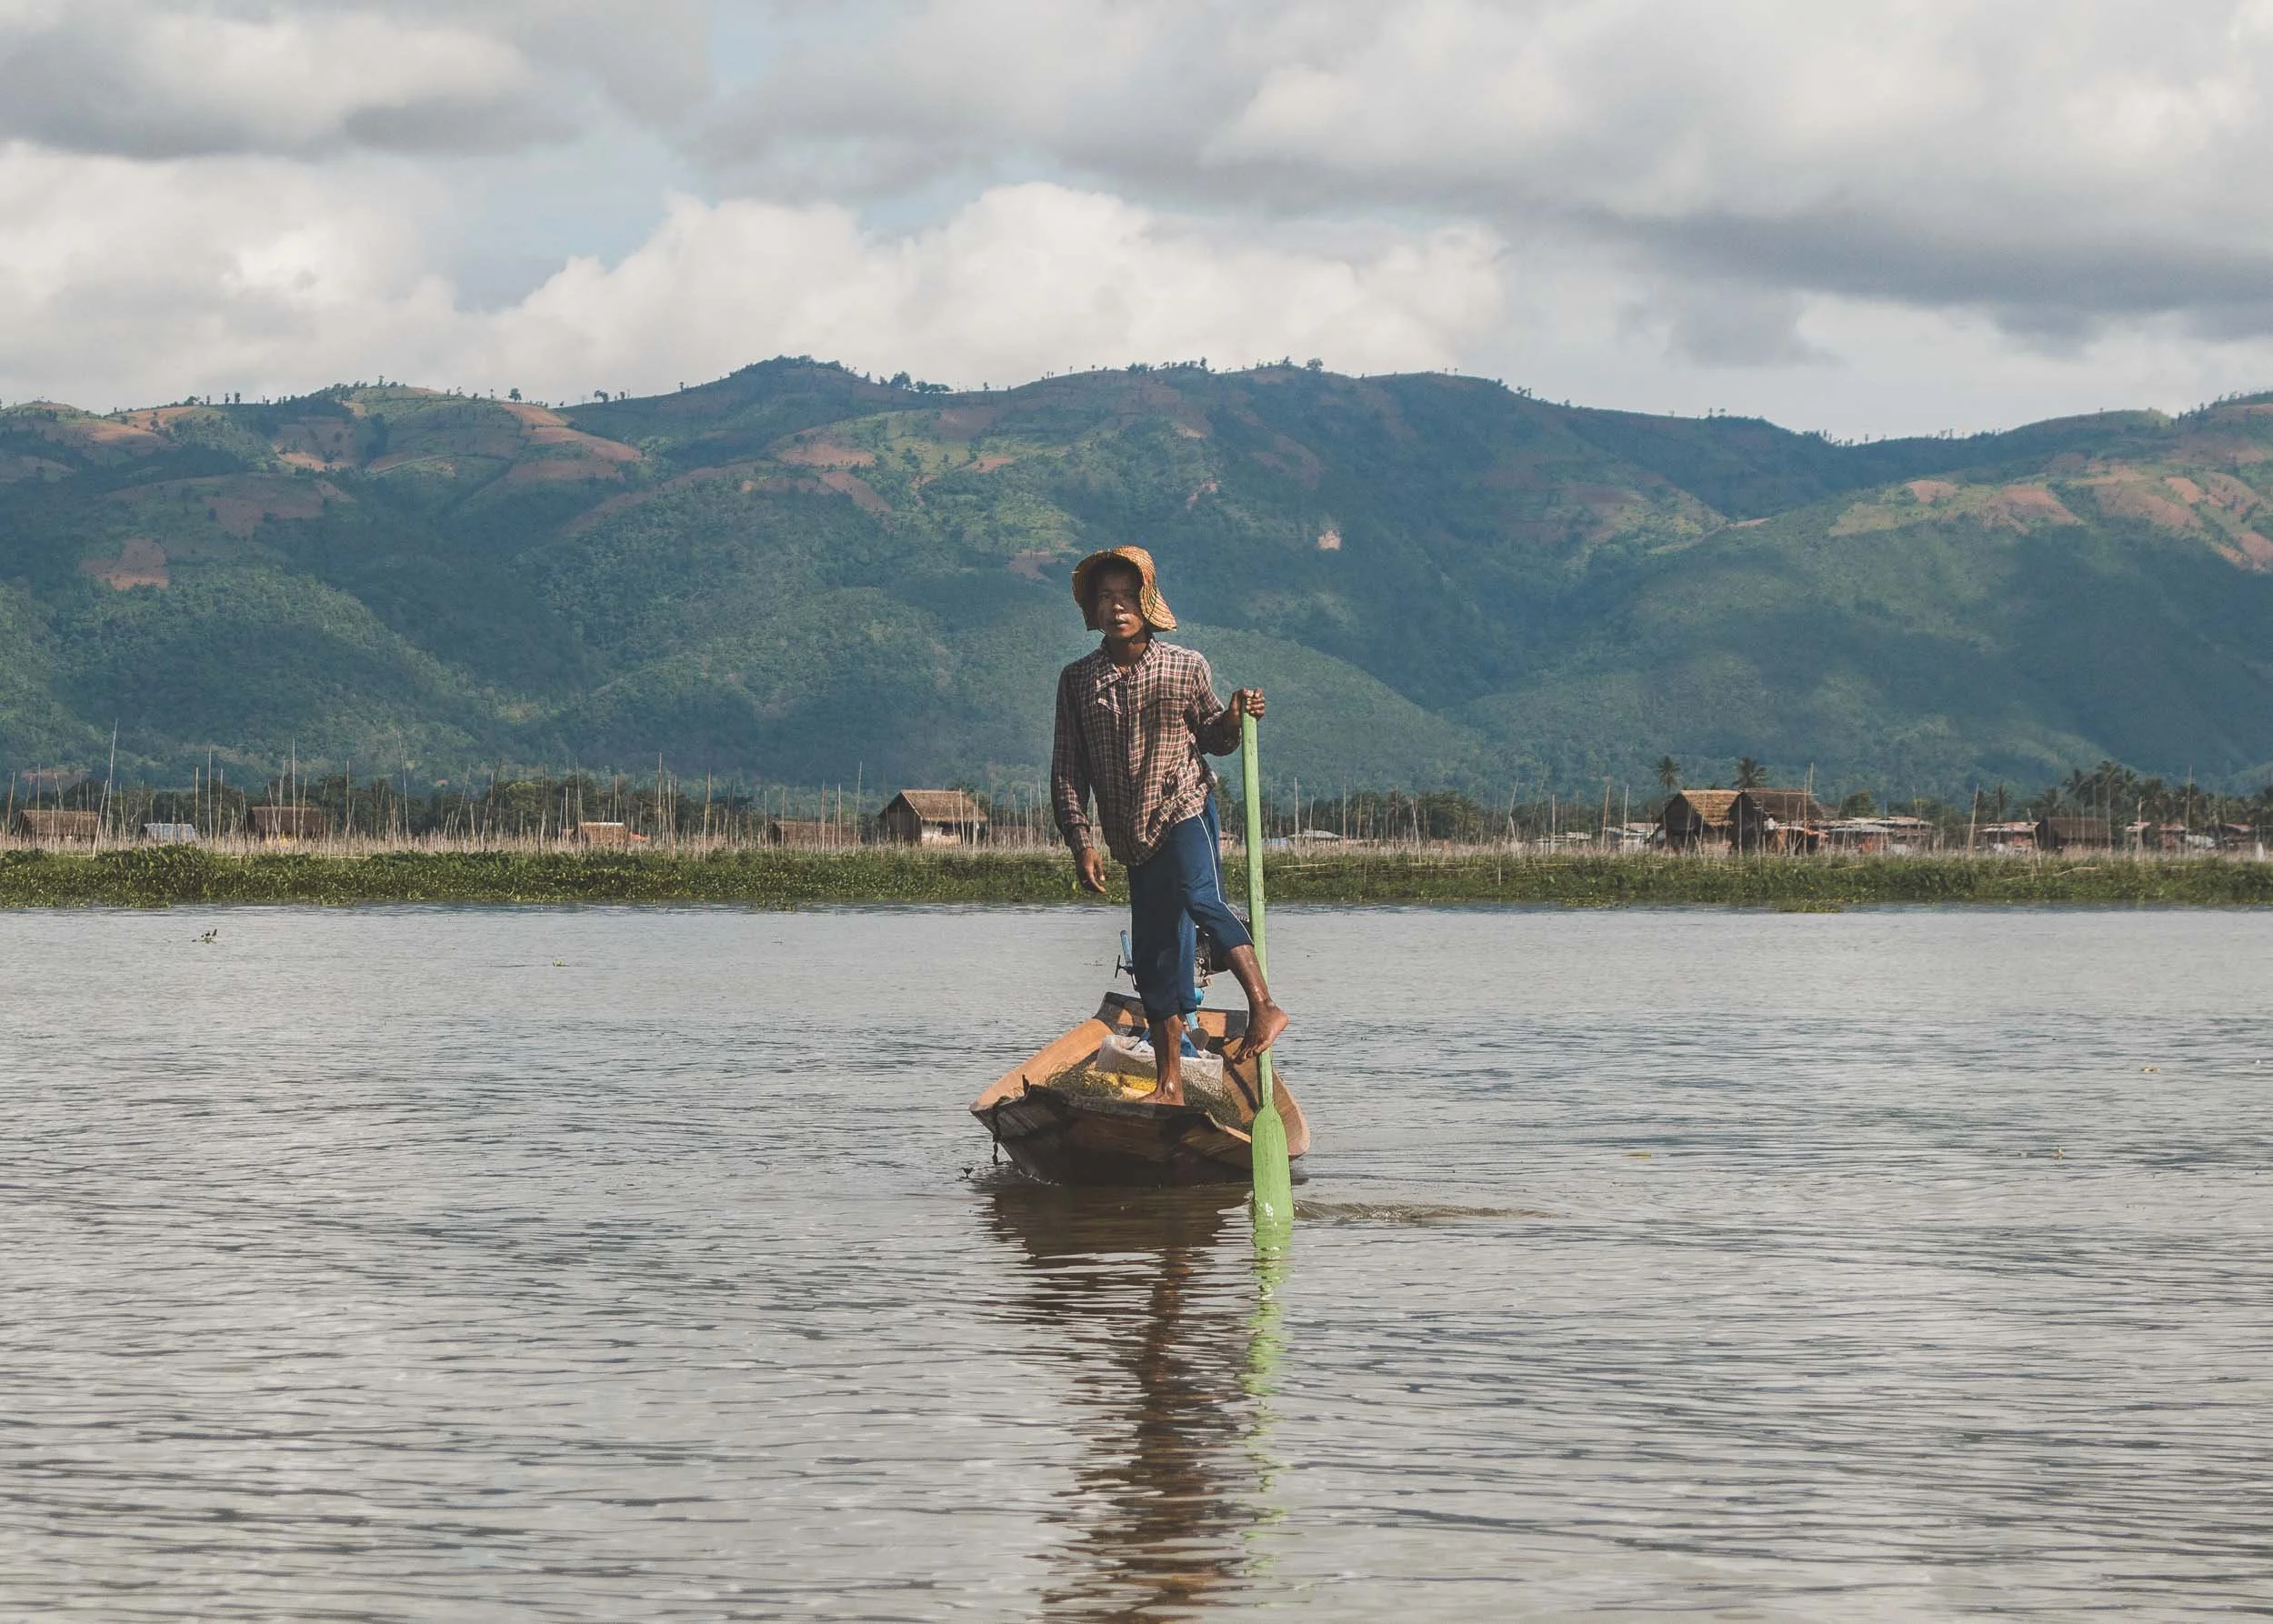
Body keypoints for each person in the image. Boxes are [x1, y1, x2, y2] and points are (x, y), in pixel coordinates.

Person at [1051, 545, 1289, 1106]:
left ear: (1148, 604)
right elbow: (1068, 768)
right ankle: (1170, 1085)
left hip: (1182, 805)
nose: (1116, 608)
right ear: (1093, 611)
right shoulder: (1078, 681)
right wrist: (1080, 840)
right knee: (1157, 953)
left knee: (1200, 897)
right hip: (1129, 833)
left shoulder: (1186, 666)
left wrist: (1233, 715)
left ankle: (1263, 1006)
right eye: (1106, 598)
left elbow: (1214, 736)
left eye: (1127, 597)